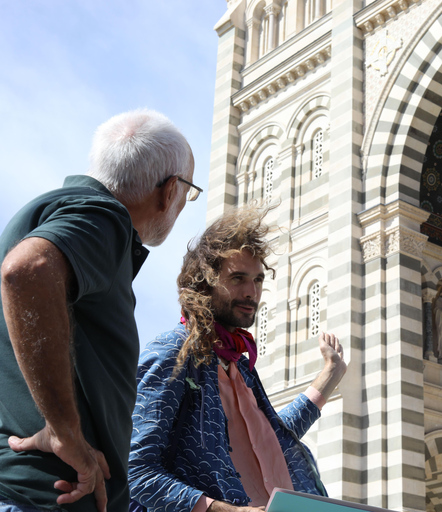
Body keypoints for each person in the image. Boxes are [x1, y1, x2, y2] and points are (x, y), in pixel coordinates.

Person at [0, 109, 197, 512]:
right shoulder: (104, 217)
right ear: (169, 190)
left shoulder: (54, 210)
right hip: (44, 498)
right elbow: (27, 271)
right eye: (189, 192)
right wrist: (64, 432)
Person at [129, 206, 347, 512]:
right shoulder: (172, 353)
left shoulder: (239, 365)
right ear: (204, 282)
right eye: (238, 278)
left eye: (258, 280)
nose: (251, 292)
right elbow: (136, 471)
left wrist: (330, 376)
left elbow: (269, 440)